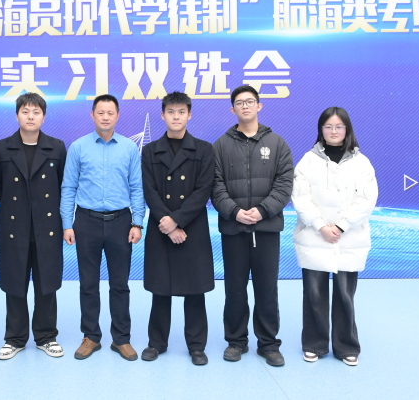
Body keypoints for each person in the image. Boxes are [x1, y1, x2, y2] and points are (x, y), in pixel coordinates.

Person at [212, 85, 293, 367]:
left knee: (266, 288)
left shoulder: (277, 143)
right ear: (232, 109)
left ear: (259, 106)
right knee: (234, 288)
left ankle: (269, 344)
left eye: (249, 101)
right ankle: (236, 341)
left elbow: (284, 184)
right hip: (233, 229)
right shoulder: (221, 145)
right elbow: (215, 185)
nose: (245, 106)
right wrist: (234, 212)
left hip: (266, 229)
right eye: (239, 103)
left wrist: (262, 211)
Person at [60, 94, 145, 361]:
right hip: (86, 222)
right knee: (88, 284)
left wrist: (138, 222)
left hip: (121, 222)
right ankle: (91, 337)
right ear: (92, 115)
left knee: (120, 284)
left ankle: (121, 339)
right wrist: (67, 224)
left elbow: (137, 187)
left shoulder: (129, 148)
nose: (105, 117)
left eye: (110, 113)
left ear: (117, 116)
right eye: (100, 112)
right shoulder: (78, 147)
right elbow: (68, 187)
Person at [291, 107, 377, 366]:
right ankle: (314, 344)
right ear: (321, 130)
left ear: (347, 129)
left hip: (348, 238)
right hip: (315, 236)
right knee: (314, 294)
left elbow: (367, 199)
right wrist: (321, 226)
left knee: (345, 295)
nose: (333, 131)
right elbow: (300, 198)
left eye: (339, 126)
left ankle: (346, 346)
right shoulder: (308, 160)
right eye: (328, 126)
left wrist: (341, 226)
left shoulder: (361, 162)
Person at [0, 93, 67, 360]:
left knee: (47, 285)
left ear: (43, 117)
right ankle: (15, 338)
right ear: (17, 115)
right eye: (25, 111)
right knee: (15, 285)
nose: (30, 116)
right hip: (14, 227)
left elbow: (62, 186)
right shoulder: (2, 148)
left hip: (47, 227)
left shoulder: (57, 147)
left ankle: (46, 336)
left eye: (36, 112)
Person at [140, 92, 215, 366]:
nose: (176, 116)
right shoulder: (150, 151)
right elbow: (149, 190)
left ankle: (196, 346)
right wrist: (168, 224)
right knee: (161, 289)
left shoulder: (204, 150)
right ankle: (156, 343)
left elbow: (203, 190)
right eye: (170, 112)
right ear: (162, 115)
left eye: (181, 112)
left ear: (189, 115)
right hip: (161, 228)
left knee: (194, 291)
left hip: (192, 228)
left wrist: (178, 220)